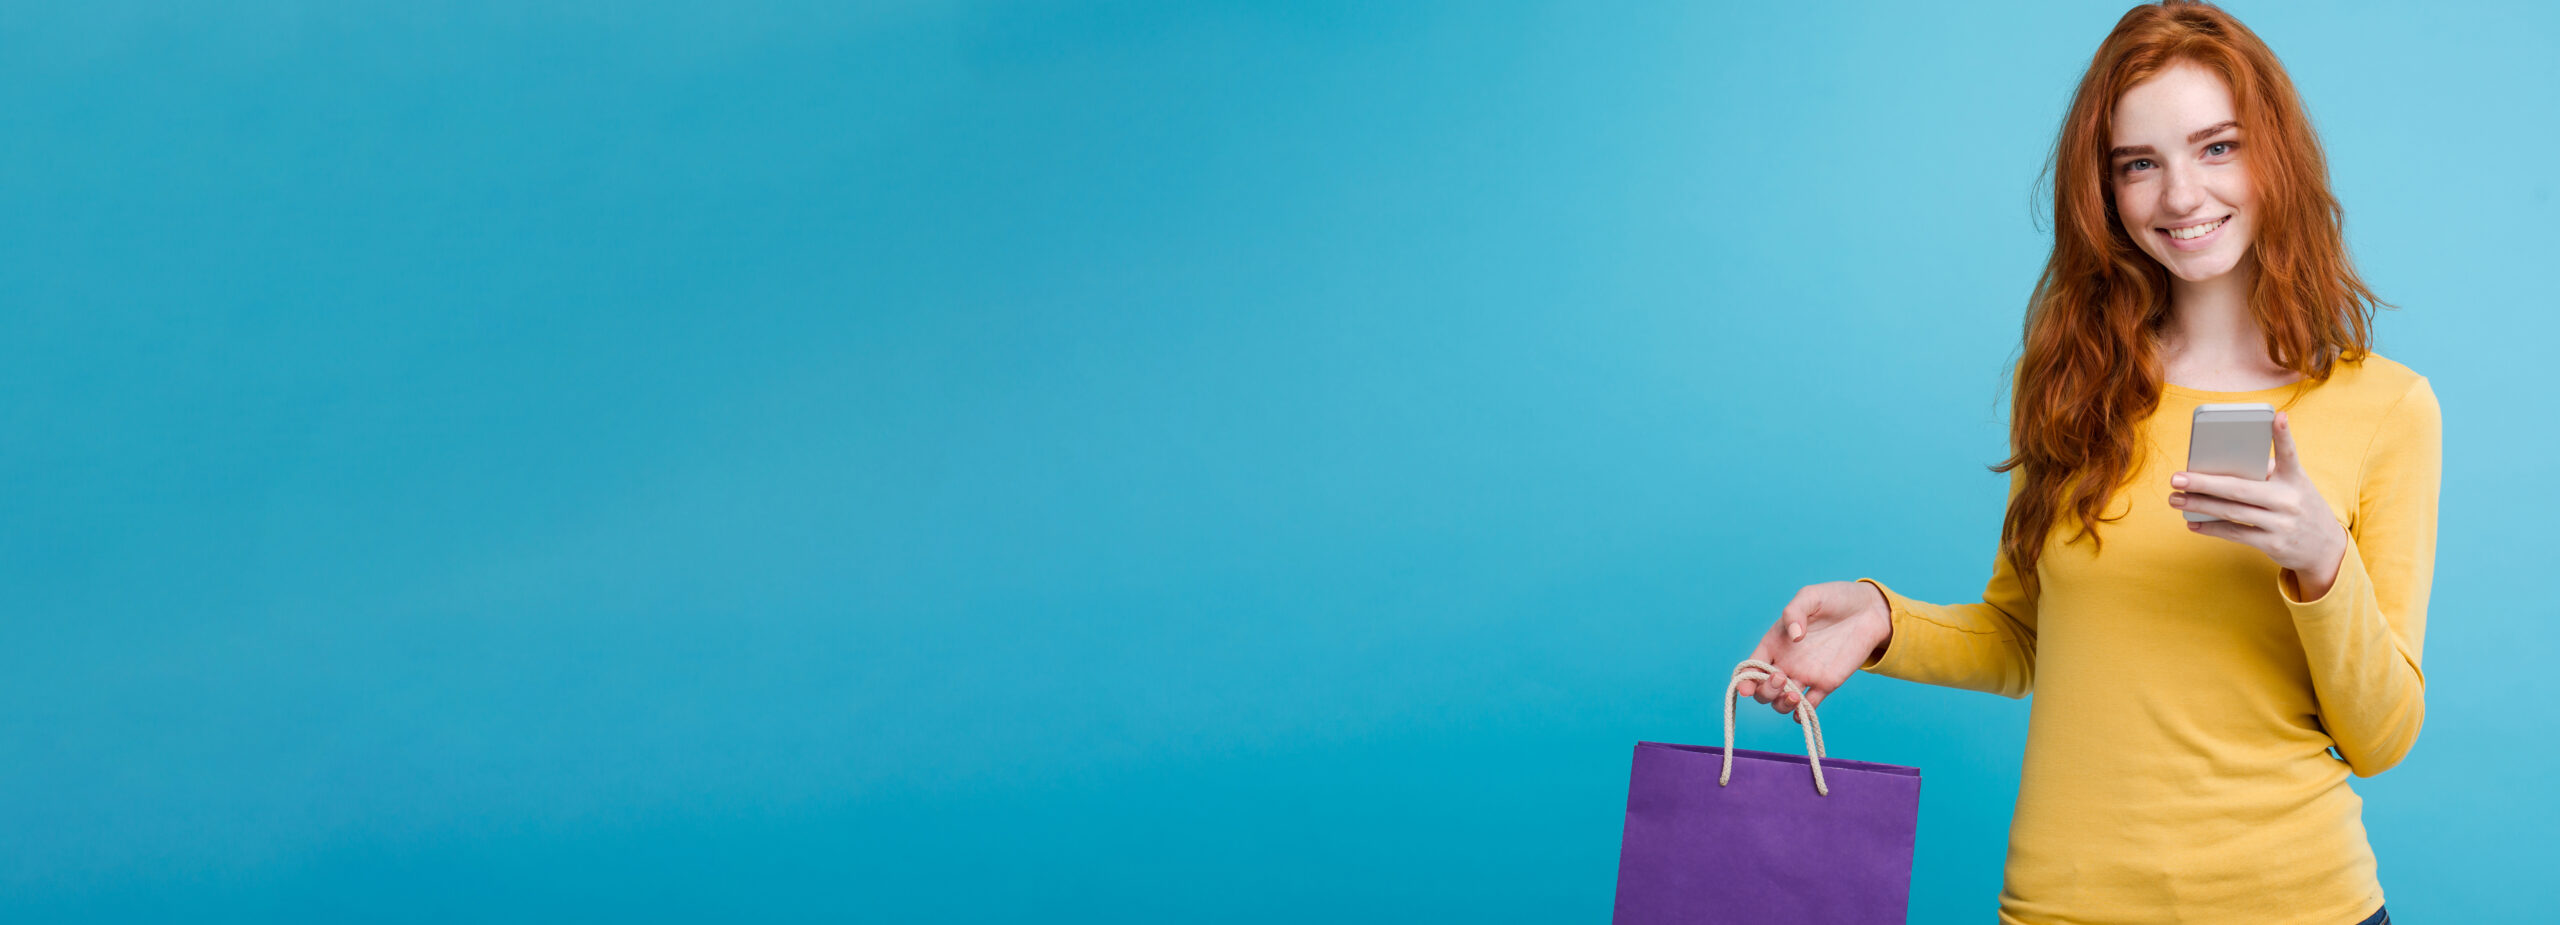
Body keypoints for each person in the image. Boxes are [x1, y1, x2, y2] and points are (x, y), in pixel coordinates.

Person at [1732, 3, 2434, 923]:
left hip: (2302, 904)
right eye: (2140, 163)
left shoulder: (2386, 406)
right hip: (2065, 906)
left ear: (2277, 157)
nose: (2181, 196)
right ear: (2104, 191)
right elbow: (2025, 638)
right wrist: (1880, 618)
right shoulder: (2069, 382)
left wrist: (2320, 559)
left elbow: (2381, 735)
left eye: (2217, 147)